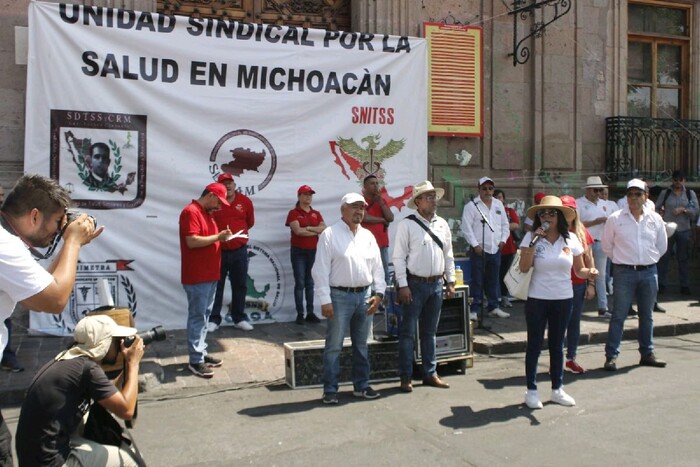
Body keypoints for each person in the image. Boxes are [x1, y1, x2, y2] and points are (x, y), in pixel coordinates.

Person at [0, 174, 103, 464]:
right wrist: (72, 240)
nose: (58, 230)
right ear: (34, 215)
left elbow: (40, 287)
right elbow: (54, 300)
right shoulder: (5, 246)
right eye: (58, 221)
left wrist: (72, 244)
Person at [16, 314, 145, 467]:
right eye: (115, 341)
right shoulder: (87, 369)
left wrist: (129, 365)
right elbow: (126, 410)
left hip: (36, 455)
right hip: (51, 462)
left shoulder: (70, 361)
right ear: (103, 343)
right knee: (128, 460)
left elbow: (109, 394)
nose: (118, 346)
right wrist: (133, 364)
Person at [518, 196, 598, 409]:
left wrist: (589, 273)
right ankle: (532, 390)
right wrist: (534, 241)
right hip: (537, 298)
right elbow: (524, 267)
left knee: (557, 344)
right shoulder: (530, 237)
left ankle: (557, 389)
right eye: (543, 213)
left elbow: (578, 270)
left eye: (552, 213)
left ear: (560, 216)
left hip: (563, 298)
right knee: (534, 344)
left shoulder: (571, 239)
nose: (547, 217)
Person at [312, 193, 386, 404]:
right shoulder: (329, 235)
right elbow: (320, 270)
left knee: (361, 345)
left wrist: (379, 294)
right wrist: (325, 300)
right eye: (354, 207)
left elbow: (378, 269)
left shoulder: (368, 236)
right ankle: (330, 390)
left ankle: (361, 386)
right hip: (338, 297)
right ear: (342, 209)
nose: (359, 211)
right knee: (334, 345)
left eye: (361, 208)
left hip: (365, 296)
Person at [393, 181, 456, 393]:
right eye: (428, 197)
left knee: (430, 332)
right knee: (408, 333)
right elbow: (398, 258)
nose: (433, 200)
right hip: (414, 284)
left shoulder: (442, 224)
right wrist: (402, 285)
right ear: (418, 202)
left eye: (433, 196)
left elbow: (448, 254)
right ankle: (405, 377)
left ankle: (430, 373)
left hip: (436, 283)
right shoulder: (407, 225)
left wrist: (451, 280)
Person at [602, 179, 668, 371]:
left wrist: (648, 259)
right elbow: (607, 246)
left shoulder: (655, 219)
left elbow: (661, 245)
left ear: (645, 196)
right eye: (630, 194)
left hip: (649, 271)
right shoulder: (615, 218)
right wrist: (623, 260)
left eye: (638, 194)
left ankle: (647, 353)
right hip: (624, 272)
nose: (633, 198)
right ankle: (611, 356)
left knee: (647, 315)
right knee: (619, 315)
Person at [179, 182, 232, 378]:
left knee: (204, 316)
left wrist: (220, 237)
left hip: (209, 274)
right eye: (218, 202)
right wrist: (218, 236)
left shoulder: (206, 213)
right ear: (210, 195)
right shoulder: (190, 212)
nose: (219, 207)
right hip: (198, 275)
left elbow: (208, 239)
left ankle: (200, 352)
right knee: (198, 316)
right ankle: (195, 360)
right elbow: (191, 241)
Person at [209, 173, 255, 332]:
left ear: (235, 185)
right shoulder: (213, 201)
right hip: (218, 251)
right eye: (224, 183)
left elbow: (249, 222)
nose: (227, 186)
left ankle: (239, 318)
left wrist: (236, 238)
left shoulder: (245, 201)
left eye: (230, 183)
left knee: (240, 285)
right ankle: (214, 319)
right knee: (217, 286)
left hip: (239, 251)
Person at [460, 176, 510, 319]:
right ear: (479, 189)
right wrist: (475, 245)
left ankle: (493, 306)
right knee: (478, 280)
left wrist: (503, 240)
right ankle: (474, 309)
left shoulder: (498, 205)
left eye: (490, 188)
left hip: (495, 248)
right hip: (479, 249)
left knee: (493, 279)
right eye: (484, 188)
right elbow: (466, 227)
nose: (488, 191)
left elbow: (505, 225)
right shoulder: (472, 206)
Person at [559, 195, 595, 374]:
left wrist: (591, 284)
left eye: (570, 210)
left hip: (578, 284)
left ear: (574, 212)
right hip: (558, 285)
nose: (567, 214)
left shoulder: (582, 232)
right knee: (558, 323)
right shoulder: (554, 231)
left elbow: (589, 259)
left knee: (574, 322)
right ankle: (556, 359)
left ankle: (571, 358)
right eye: (563, 210)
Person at [285, 184, 326, 324]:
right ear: (299, 196)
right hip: (299, 252)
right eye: (305, 194)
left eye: (310, 194)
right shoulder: (294, 213)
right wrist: (314, 230)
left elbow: (324, 229)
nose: (308, 197)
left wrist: (307, 228)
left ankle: (310, 312)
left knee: (310, 282)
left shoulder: (316, 213)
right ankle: (300, 314)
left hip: (313, 251)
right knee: (300, 282)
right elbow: (298, 231)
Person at [655, 170, 698, 295]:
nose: (678, 182)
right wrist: (660, 219)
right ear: (672, 181)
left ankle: (684, 285)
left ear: (684, 181)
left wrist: (684, 210)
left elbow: (696, 211)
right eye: (675, 180)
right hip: (667, 230)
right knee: (664, 257)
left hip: (684, 229)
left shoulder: (690, 194)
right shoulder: (666, 193)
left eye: (680, 180)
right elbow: (657, 208)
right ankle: (661, 284)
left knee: (683, 258)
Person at [576, 176, 611, 318]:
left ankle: (603, 306)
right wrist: (595, 222)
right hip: (584, 243)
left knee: (601, 275)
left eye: (600, 190)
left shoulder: (605, 204)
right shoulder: (579, 203)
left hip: (601, 241)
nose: (598, 193)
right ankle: (578, 305)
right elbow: (576, 225)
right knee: (581, 273)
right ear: (589, 190)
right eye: (596, 190)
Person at [361, 174, 394, 285]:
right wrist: (382, 220)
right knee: (368, 273)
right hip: (366, 245)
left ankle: (385, 298)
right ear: (365, 186)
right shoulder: (361, 201)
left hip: (382, 244)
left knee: (384, 273)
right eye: (372, 183)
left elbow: (390, 218)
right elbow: (365, 217)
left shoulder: (382, 201)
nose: (375, 186)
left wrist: (381, 204)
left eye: (376, 183)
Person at [494, 189, 520, 308]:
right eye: (496, 197)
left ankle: (504, 297)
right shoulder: (488, 211)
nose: (499, 199)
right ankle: (491, 299)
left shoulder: (509, 211)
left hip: (508, 247)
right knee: (491, 274)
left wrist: (502, 226)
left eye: (500, 197)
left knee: (505, 274)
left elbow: (516, 225)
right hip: (492, 248)